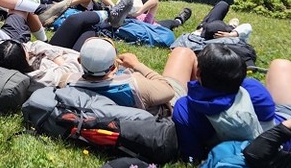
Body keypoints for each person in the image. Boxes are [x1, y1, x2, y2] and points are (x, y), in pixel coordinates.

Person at [172, 43, 284, 162]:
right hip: (275, 145)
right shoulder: (253, 89)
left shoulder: (185, 108)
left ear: (198, 73)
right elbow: (270, 122)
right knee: (282, 65)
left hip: (226, 154)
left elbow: (193, 155)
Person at [70, 36, 199, 115]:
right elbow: (169, 90)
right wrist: (137, 65)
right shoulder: (136, 84)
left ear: (79, 61)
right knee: (183, 52)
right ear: (114, 67)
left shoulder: (69, 82)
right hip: (166, 107)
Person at [0, 38, 84, 86]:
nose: (26, 47)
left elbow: (34, 44)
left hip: (64, 55)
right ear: (23, 59)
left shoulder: (14, 62)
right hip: (78, 60)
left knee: (81, 23)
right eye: (23, 49)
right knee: (86, 29)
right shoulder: (38, 78)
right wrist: (59, 59)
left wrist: (56, 57)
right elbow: (71, 70)